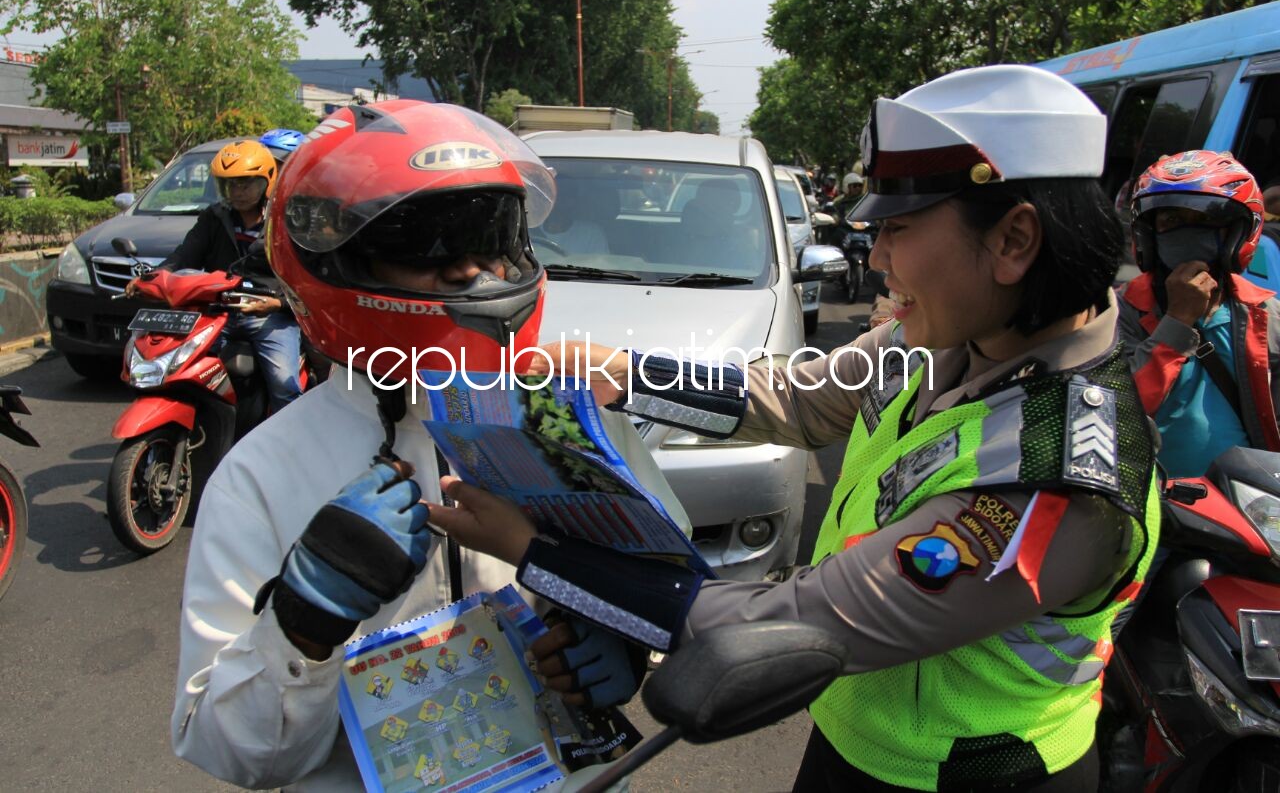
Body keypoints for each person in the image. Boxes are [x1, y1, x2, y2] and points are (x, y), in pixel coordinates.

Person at [428, 65, 1163, 793]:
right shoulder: (950, 337)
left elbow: (789, 620)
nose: (874, 259)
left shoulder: (1054, 477)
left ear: (1014, 241)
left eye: (898, 230)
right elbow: (802, 396)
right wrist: (624, 371)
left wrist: (533, 551)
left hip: (965, 777)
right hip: (858, 737)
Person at [170, 100, 688, 791]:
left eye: (492, 238)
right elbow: (226, 747)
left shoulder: (568, 419)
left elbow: (679, 577)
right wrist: (300, 625)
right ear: (334, 256)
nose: (472, 273)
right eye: (430, 244)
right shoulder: (260, 476)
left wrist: (629, 631)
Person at [1116, 151, 1280, 478]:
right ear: (1149, 233)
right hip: (1151, 496)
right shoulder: (1119, 312)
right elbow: (1116, 412)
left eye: (1202, 221)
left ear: (1235, 233)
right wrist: (1177, 322)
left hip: (1247, 504)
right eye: (1171, 222)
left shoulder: (1267, 315)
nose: (1186, 233)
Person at [126, 139, 303, 413]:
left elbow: (303, 277)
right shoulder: (215, 216)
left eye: (245, 183)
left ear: (268, 180)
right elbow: (184, 256)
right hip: (216, 313)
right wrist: (151, 278)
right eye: (230, 184)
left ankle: (290, 446)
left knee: (283, 384)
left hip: (267, 314)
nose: (237, 191)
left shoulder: (284, 222)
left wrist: (278, 303)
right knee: (178, 368)